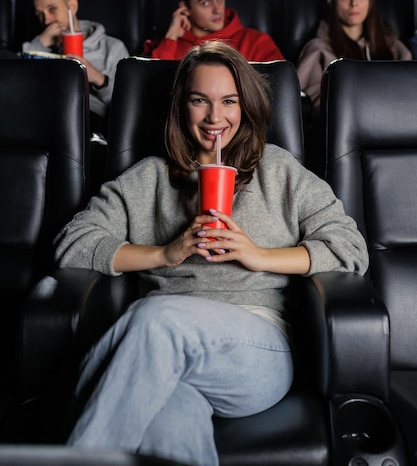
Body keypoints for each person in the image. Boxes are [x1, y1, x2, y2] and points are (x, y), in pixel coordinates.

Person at [54, 40, 368, 466]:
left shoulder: (277, 170)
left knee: (155, 318)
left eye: (229, 101)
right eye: (200, 100)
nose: (214, 117)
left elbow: (350, 247)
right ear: (182, 106)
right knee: (171, 413)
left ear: (246, 107)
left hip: (257, 351)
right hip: (157, 353)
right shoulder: (148, 177)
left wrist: (260, 256)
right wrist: (164, 253)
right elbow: (73, 244)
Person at [23, 0, 130, 136]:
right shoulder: (40, 48)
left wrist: (99, 79)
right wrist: (40, 43)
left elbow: (126, 105)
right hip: (42, 114)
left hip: (88, 118)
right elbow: (15, 84)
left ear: (72, 5)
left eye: (52, 9)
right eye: (40, 14)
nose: (46, 21)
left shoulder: (112, 47)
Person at [296, 0, 412, 113]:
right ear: (333, 2)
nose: (354, 3)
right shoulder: (318, 49)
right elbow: (317, 104)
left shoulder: (392, 45)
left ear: (370, 1)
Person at [143, 0, 284, 61]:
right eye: (205, 2)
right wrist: (171, 37)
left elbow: (279, 93)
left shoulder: (255, 42)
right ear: (185, 8)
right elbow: (154, 91)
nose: (217, 9)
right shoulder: (162, 47)